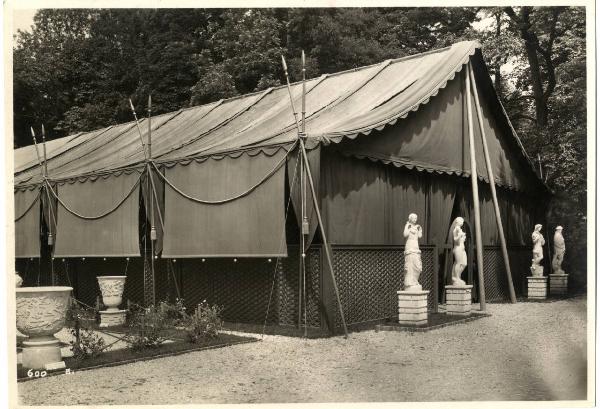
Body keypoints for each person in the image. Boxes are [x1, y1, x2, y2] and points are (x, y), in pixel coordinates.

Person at [403, 213, 423, 291]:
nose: (415, 219)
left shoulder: (416, 227)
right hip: (410, 246)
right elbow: (405, 234)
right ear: (410, 219)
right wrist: (407, 227)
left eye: (416, 218)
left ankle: (415, 281)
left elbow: (419, 236)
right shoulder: (408, 226)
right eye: (414, 218)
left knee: (418, 267)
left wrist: (420, 229)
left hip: (416, 246)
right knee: (410, 266)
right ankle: (409, 283)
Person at [451, 217, 467, 286]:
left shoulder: (460, 229)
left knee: (464, 263)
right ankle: (456, 277)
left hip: (462, 248)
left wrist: (463, 237)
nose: (462, 223)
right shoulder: (456, 229)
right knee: (458, 263)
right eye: (461, 221)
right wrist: (460, 236)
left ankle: (458, 276)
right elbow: (455, 240)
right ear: (458, 222)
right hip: (458, 248)